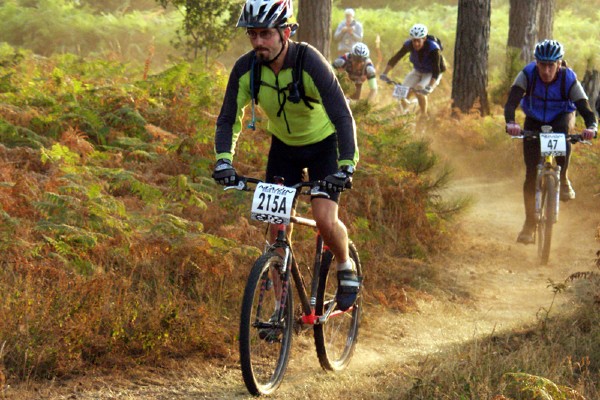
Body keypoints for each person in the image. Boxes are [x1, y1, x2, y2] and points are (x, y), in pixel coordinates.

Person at [212, 0, 360, 311]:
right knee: (276, 227)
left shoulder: (309, 61)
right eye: (252, 34)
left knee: (323, 217)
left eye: (265, 34)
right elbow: (228, 117)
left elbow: (342, 115)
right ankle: (282, 307)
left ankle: (345, 265)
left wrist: (346, 166)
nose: (258, 43)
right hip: (283, 149)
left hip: (323, 146)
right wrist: (224, 160)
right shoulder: (246, 69)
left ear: (286, 32)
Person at [504, 39, 597, 245]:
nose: (546, 70)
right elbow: (511, 103)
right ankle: (529, 224)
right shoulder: (527, 74)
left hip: (560, 117)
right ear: (536, 63)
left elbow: (585, 108)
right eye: (542, 65)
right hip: (534, 120)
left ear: (559, 63)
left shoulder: (568, 78)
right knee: (530, 174)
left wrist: (591, 127)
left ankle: (562, 178)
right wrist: (511, 122)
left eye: (551, 65)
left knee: (564, 138)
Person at [379, 23, 444, 117]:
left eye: (418, 41)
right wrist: (384, 74)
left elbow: (436, 70)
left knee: (419, 88)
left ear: (424, 39)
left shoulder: (433, 48)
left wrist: (429, 86)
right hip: (418, 70)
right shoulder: (409, 44)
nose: (416, 44)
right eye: (414, 41)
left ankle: (423, 115)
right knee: (401, 91)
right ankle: (401, 113)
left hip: (431, 73)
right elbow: (396, 58)